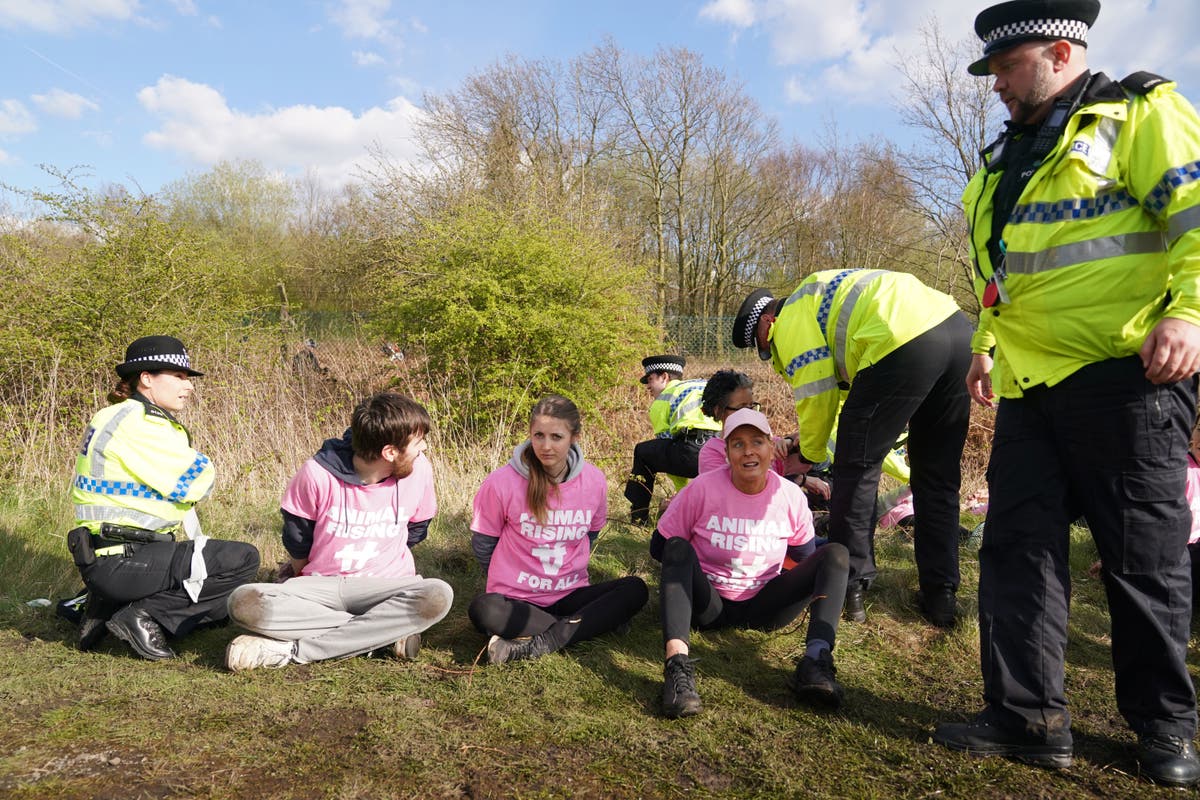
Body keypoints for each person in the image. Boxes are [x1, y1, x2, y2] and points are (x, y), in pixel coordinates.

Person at [931, 0, 1200, 786]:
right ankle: (1028, 718)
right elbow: (999, 276)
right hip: (1028, 384)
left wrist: (1189, 311)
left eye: (1005, 69)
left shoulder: (1140, 114)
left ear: (1057, 51)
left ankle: (1165, 731)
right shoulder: (999, 159)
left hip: (1129, 378)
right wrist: (984, 349)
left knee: (1142, 560)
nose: (995, 87)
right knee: (1019, 554)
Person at [732, 270, 972, 627]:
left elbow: (817, 394)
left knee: (855, 471)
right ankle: (941, 595)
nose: (769, 353)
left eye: (763, 347)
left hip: (900, 340)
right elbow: (851, 401)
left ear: (767, 321)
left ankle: (851, 586)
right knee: (936, 476)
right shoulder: (825, 296)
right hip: (958, 332)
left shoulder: (793, 316)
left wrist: (810, 455)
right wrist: (805, 439)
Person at [224, 391, 453, 670]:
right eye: (418, 443)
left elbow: (417, 529)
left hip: (386, 588)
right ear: (389, 452)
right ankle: (380, 634)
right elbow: (298, 537)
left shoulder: (419, 471)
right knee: (243, 602)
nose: (424, 449)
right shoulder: (316, 474)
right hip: (321, 586)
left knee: (438, 594)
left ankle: (294, 650)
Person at [68, 335, 260, 661]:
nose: (189, 386)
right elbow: (198, 481)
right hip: (126, 558)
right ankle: (142, 616)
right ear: (146, 378)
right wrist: (201, 465)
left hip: (110, 553)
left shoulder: (110, 415)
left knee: (218, 609)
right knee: (243, 561)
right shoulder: (141, 424)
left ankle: (104, 606)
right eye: (179, 377)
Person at [652, 408, 850, 718]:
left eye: (757, 442)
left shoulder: (790, 496)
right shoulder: (702, 488)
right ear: (727, 452)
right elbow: (659, 548)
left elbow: (803, 555)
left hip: (766, 605)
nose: (748, 452)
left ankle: (815, 663)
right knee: (677, 547)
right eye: (738, 444)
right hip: (710, 605)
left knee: (837, 554)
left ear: (772, 449)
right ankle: (677, 669)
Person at [469, 395, 648, 664]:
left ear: (574, 437)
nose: (546, 446)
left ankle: (542, 641)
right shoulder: (501, 481)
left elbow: (590, 535)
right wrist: (509, 575)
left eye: (556, 437)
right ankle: (592, 624)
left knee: (636, 588)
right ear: (529, 434)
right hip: (516, 598)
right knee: (483, 609)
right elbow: (484, 543)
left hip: (570, 592)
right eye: (538, 435)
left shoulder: (594, 480)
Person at [695, 369, 832, 502]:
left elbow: (812, 450)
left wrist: (790, 441)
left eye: (751, 406)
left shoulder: (767, 441)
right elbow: (736, 492)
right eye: (742, 407)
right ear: (719, 410)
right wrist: (801, 479)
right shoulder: (711, 453)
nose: (749, 413)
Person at [624, 355, 721, 524]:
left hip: (692, 452)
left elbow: (668, 446)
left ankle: (639, 517)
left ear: (665, 377)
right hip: (723, 451)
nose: (647, 386)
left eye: (650, 379)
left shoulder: (663, 399)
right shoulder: (702, 386)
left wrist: (681, 492)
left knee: (643, 452)